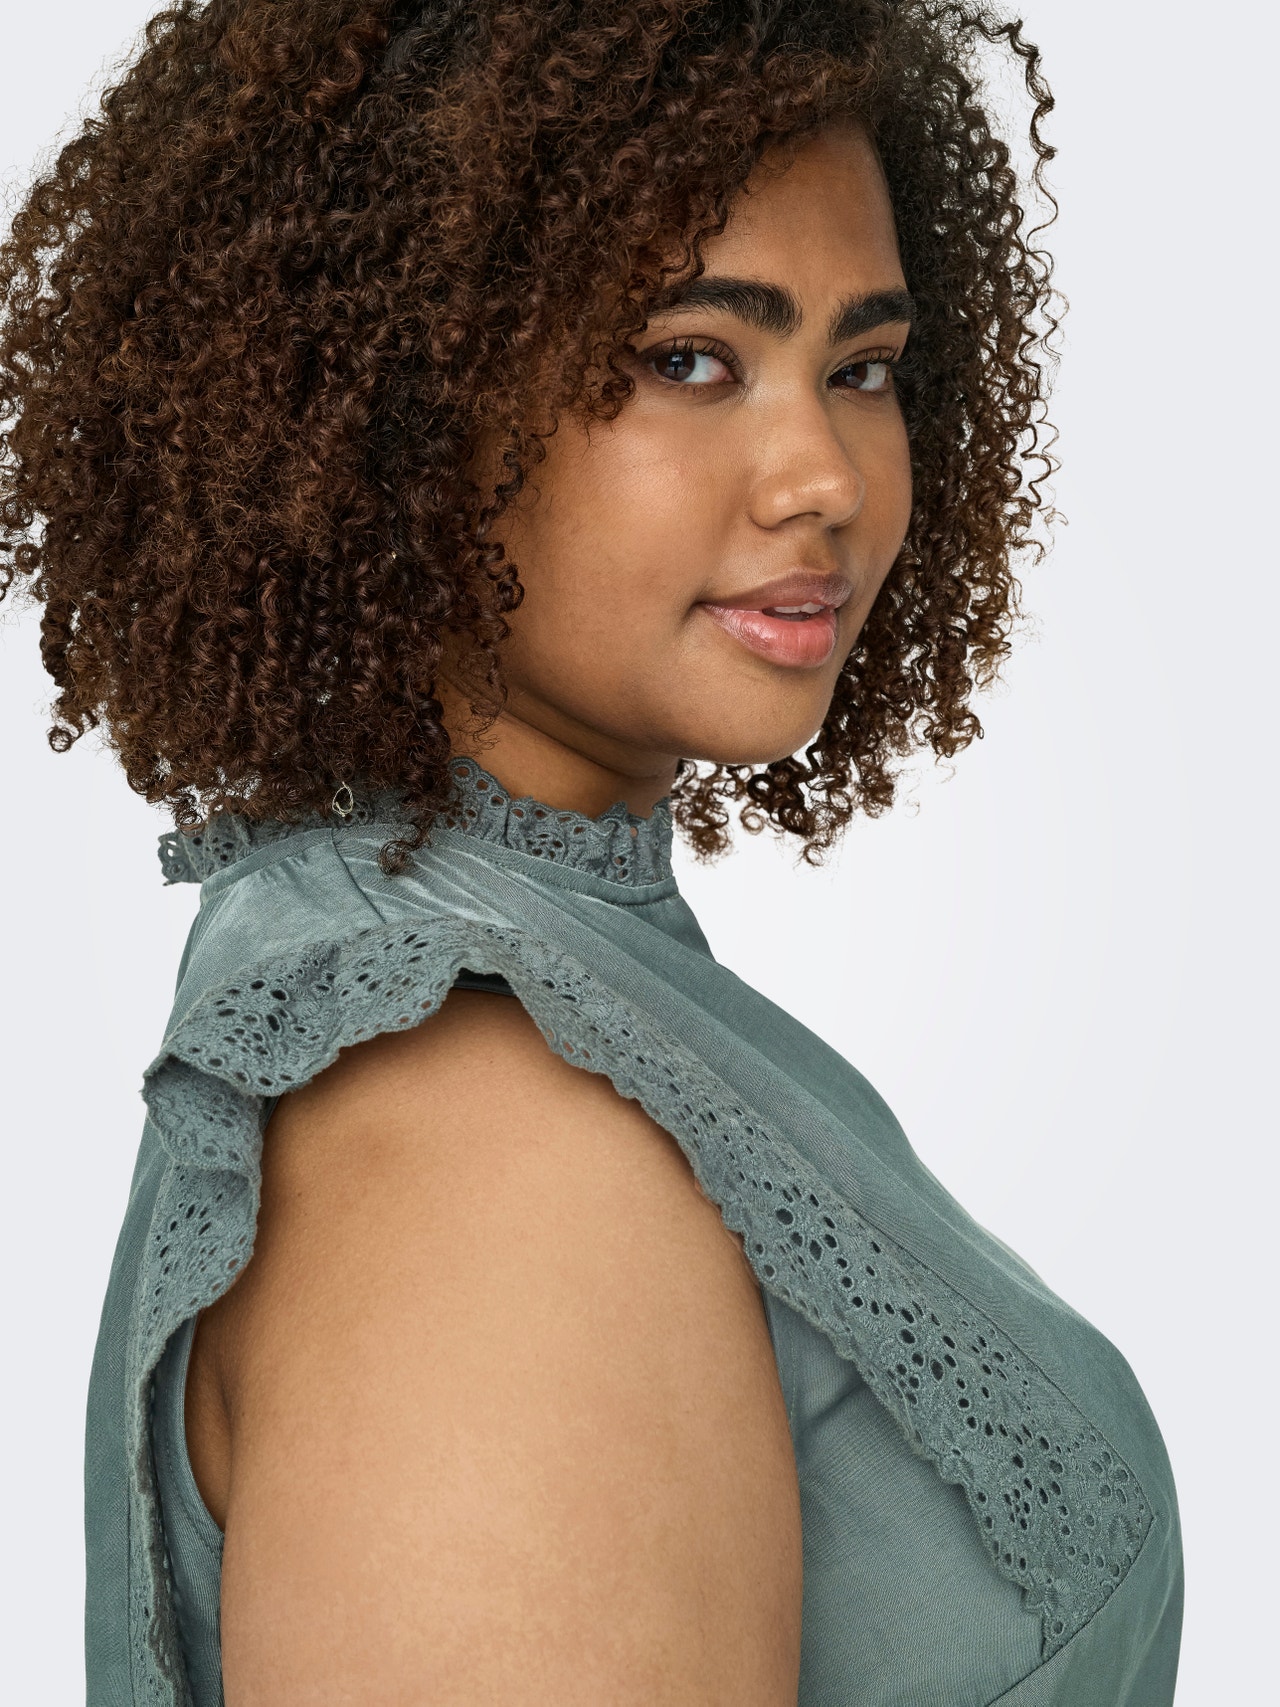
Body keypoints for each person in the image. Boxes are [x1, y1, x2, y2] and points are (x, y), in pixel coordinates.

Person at [0, 2, 1183, 1703]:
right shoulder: (481, 1135)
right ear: (404, 391)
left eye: (861, 368)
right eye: (691, 358)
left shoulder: (484, 951)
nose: (826, 477)